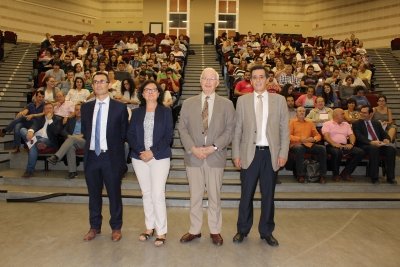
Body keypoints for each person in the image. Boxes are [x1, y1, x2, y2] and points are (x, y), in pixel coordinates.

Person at [232, 65, 289, 246]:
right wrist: (236, 154)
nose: (258, 80)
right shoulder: (242, 101)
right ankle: (242, 229)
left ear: (267, 79)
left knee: (268, 196)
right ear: (250, 80)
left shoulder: (279, 101)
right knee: (246, 195)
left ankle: (266, 231)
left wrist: (283, 153)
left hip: (270, 155)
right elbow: (237, 130)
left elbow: (284, 130)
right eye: (254, 77)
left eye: (261, 77)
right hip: (249, 154)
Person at [178, 68, 235, 246]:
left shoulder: (227, 104)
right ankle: (194, 230)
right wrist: (193, 149)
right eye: (205, 78)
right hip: (193, 157)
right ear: (200, 81)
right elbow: (182, 129)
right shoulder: (188, 103)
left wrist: (214, 147)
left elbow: (230, 130)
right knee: (195, 196)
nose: (208, 82)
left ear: (218, 83)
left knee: (214, 196)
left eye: (212, 79)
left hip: (215, 157)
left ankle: (215, 230)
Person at [81, 72, 129, 242]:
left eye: (102, 81)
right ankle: (94, 226)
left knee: (114, 194)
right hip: (92, 157)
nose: (99, 84)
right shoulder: (85, 107)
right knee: (93, 194)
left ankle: (116, 227)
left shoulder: (120, 107)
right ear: (92, 86)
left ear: (109, 85)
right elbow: (86, 132)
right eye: (95, 82)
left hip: (111, 157)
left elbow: (124, 134)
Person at [126, 80, 173, 247]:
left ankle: (161, 231)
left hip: (159, 157)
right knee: (146, 193)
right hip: (139, 158)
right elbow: (130, 135)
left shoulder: (166, 111)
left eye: (154, 89)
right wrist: (142, 152)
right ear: (143, 94)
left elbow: (168, 136)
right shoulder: (136, 112)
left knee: (157, 194)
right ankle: (149, 228)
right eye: (147, 90)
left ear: (159, 93)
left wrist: (151, 152)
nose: (151, 92)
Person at [352, 106, 397, 184]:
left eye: (364, 113)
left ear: (370, 114)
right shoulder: (356, 123)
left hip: (378, 144)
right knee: (374, 149)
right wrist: (371, 142)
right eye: (361, 112)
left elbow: (384, 134)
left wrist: (387, 139)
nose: (362, 114)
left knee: (391, 149)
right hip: (365, 145)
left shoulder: (376, 123)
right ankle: (374, 177)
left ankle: (390, 177)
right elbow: (359, 137)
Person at [322, 108, 365, 182]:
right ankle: (336, 174)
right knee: (337, 152)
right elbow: (326, 136)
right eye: (342, 114)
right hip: (331, 145)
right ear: (336, 115)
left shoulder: (346, 124)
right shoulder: (327, 123)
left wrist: (351, 144)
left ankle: (346, 172)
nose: (344, 115)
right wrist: (334, 144)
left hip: (344, 145)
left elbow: (352, 135)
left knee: (360, 152)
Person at [20, 103, 62, 178]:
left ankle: (29, 170)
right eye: (46, 108)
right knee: (23, 130)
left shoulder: (58, 119)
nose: (48, 110)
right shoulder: (39, 118)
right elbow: (34, 126)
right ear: (44, 110)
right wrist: (30, 132)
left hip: (48, 140)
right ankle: (35, 143)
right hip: (36, 137)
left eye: (50, 108)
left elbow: (56, 131)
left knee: (35, 144)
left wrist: (50, 120)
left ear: (53, 110)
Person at [46, 103, 85, 179]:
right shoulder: (71, 120)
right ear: (74, 111)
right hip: (72, 140)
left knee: (71, 139)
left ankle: (56, 156)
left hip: (84, 141)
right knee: (70, 147)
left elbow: (90, 132)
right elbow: (64, 131)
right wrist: (68, 135)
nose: (79, 111)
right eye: (77, 109)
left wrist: (80, 136)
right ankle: (72, 172)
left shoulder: (88, 120)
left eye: (80, 110)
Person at [289, 106, 326, 184]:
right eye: (300, 111)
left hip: (308, 144)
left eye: (303, 111)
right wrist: (299, 139)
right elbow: (288, 136)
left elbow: (318, 135)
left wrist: (314, 139)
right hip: (296, 145)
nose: (302, 112)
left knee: (322, 148)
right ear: (296, 113)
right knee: (300, 148)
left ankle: (322, 175)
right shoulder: (292, 122)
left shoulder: (310, 122)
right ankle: (300, 175)